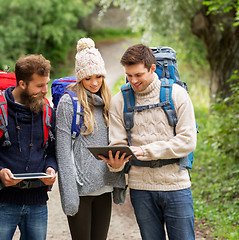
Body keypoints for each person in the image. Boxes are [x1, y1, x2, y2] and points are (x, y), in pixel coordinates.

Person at [100, 43, 197, 240]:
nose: (133, 80)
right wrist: (116, 163)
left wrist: (147, 151)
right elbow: (118, 143)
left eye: (138, 75)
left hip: (176, 185)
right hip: (141, 188)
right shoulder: (120, 101)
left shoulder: (177, 95)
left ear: (152, 69)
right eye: (129, 75)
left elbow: (188, 141)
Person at [56, 38, 127, 240]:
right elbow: (63, 152)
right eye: (88, 78)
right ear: (80, 79)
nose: (94, 83)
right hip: (81, 191)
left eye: (99, 77)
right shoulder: (68, 104)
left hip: (104, 187)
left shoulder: (107, 103)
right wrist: (69, 195)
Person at [0, 54, 57, 240]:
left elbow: (51, 151)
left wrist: (51, 168)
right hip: (1, 201)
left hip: (38, 202)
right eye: (39, 86)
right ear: (22, 84)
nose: (45, 90)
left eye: (46, 84)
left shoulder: (48, 111)